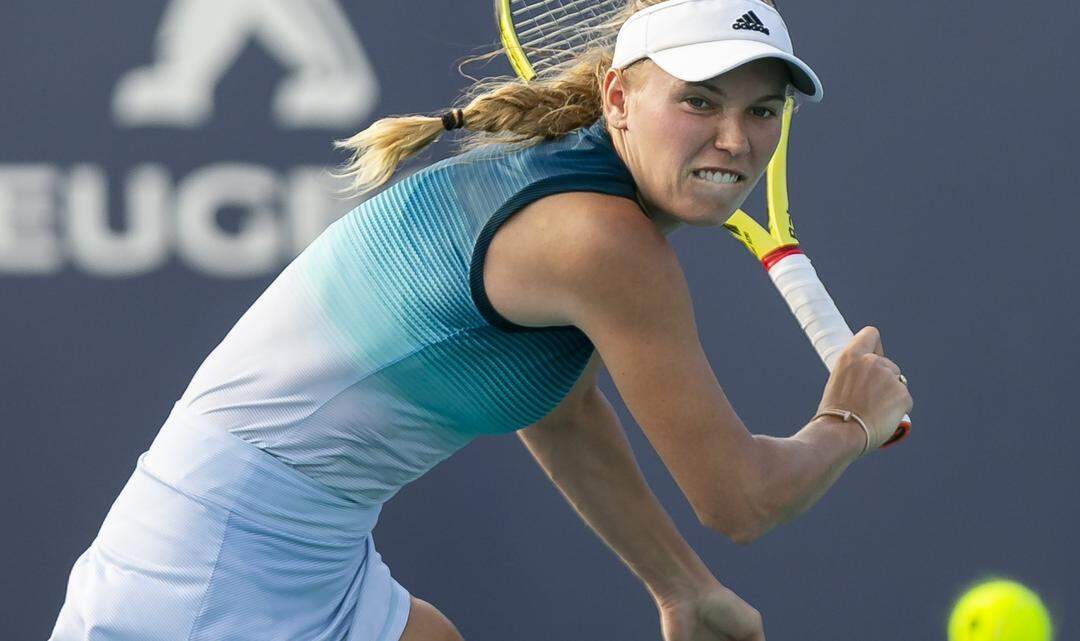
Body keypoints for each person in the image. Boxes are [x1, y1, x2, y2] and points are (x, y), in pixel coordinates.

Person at [49, 0, 913, 639]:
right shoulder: (603, 242)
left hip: (274, 553)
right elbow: (740, 500)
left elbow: (563, 409)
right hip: (206, 585)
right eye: (700, 102)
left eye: (762, 111)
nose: (735, 138)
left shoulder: (562, 182)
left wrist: (681, 586)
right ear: (616, 97)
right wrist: (848, 421)